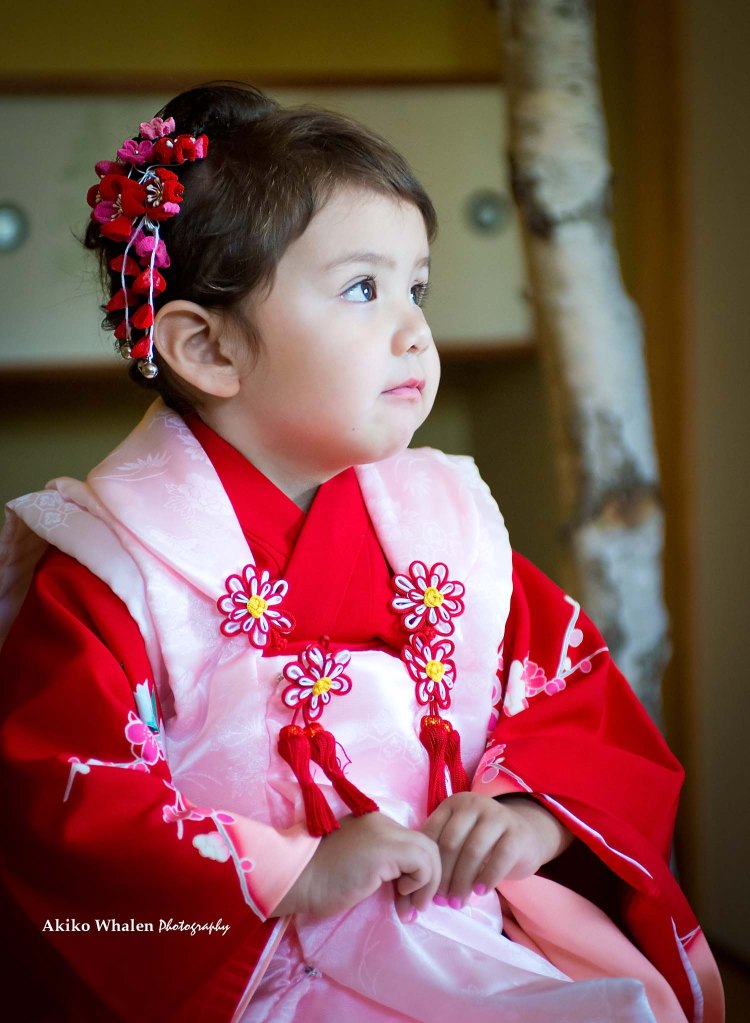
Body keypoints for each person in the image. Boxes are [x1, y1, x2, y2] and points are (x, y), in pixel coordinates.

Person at [0, 83, 723, 1023]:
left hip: (454, 929)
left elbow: (579, 708)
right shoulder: (111, 567)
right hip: (255, 971)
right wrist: (295, 872)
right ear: (207, 348)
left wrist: (522, 819)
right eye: (362, 288)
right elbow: (61, 818)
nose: (414, 327)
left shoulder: (447, 529)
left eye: (416, 286)